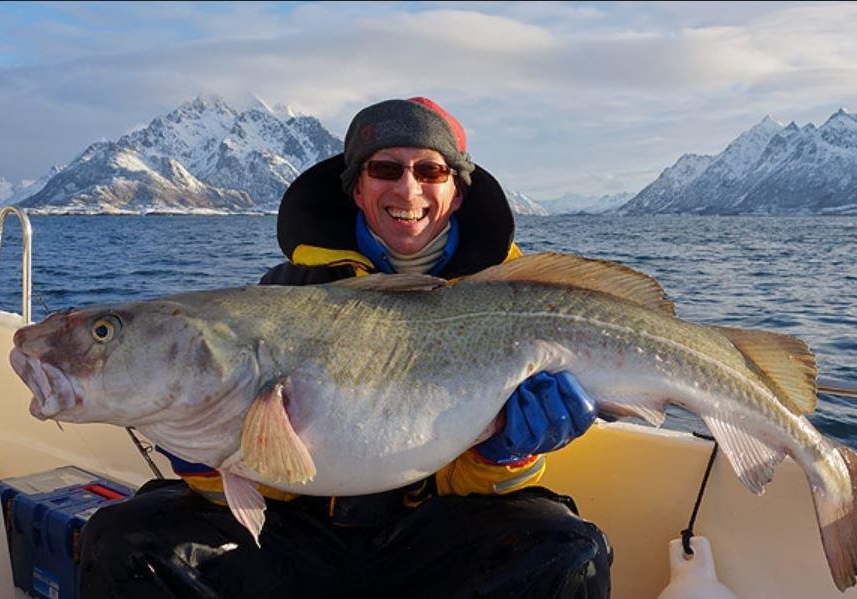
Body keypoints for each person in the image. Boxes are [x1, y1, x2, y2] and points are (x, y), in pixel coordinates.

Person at [79, 97, 612, 598]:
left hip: (439, 534)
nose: (408, 189)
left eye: (430, 171)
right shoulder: (287, 291)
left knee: (569, 552)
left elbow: (476, 490)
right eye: (385, 169)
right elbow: (270, 487)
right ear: (357, 187)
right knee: (126, 540)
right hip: (301, 535)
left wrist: (506, 452)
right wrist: (206, 451)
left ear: (457, 191)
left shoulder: (516, 295)